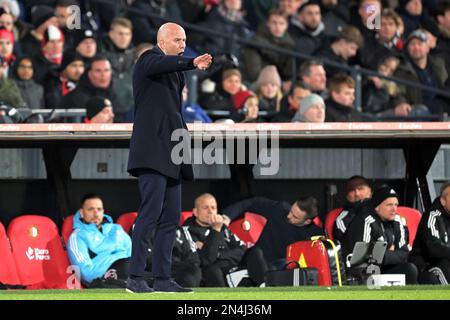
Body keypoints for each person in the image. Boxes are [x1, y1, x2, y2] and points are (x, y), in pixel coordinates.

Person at [126, 22, 212, 293]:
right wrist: (189, 63)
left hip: (173, 153)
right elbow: (160, 65)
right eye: (177, 40)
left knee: (170, 219)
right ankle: (135, 278)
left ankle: (163, 280)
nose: (183, 44)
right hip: (152, 152)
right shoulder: (147, 60)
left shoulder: (175, 72)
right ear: (162, 41)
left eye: (185, 40)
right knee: (148, 216)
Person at [183, 193, 268, 287]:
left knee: (256, 252)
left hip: (234, 268)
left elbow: (242, 250)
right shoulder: (188, 231)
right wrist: (215, 230)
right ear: (195, 212)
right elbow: (207, 260)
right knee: (212, 269)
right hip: (214, 275)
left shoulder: (223, 228)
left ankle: (264, 287)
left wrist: (219, 254)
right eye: (205, 207)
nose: (210, 211)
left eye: (213, 208)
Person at [222, 195, 324, 270]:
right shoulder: (280, 209)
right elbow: (251, 203)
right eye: (291, 211)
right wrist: (226, 217)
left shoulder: (314, 235)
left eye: (295, 217)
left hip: (282, 268)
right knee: (254, 253)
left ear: (307, 221)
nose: (289, 216)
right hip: (254, 257)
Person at [344, 186, 418, 284]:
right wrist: (390, 251)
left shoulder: (397, 221)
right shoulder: (365, 220)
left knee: (410, 269)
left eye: (396, 205)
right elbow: (360, 257)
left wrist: (381, 252)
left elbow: (405, 253)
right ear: (377, 207)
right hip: (365, 273)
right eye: (389, 205)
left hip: (385, 269)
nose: (394, 209)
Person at [67, 194, 132, 287]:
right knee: (128, 267)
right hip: (103, 277)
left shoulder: (116, 229)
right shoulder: (78, 236)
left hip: (128, 268)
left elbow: (133, 253)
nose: (96, 213)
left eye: (99, 209)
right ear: (81, 212)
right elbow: (85, 273)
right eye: (90, 209)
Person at [410, 182, 450, 284]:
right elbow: (434, 248)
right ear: (443, 201)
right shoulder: (432, 216)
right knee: (443, 265)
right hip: (426, 264)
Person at [332, 175, 373, 243]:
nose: (357, 193)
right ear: (346, 195)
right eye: (351, 190)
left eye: (360, 188)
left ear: (370, 191)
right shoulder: (342, 219)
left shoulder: (383, 210)